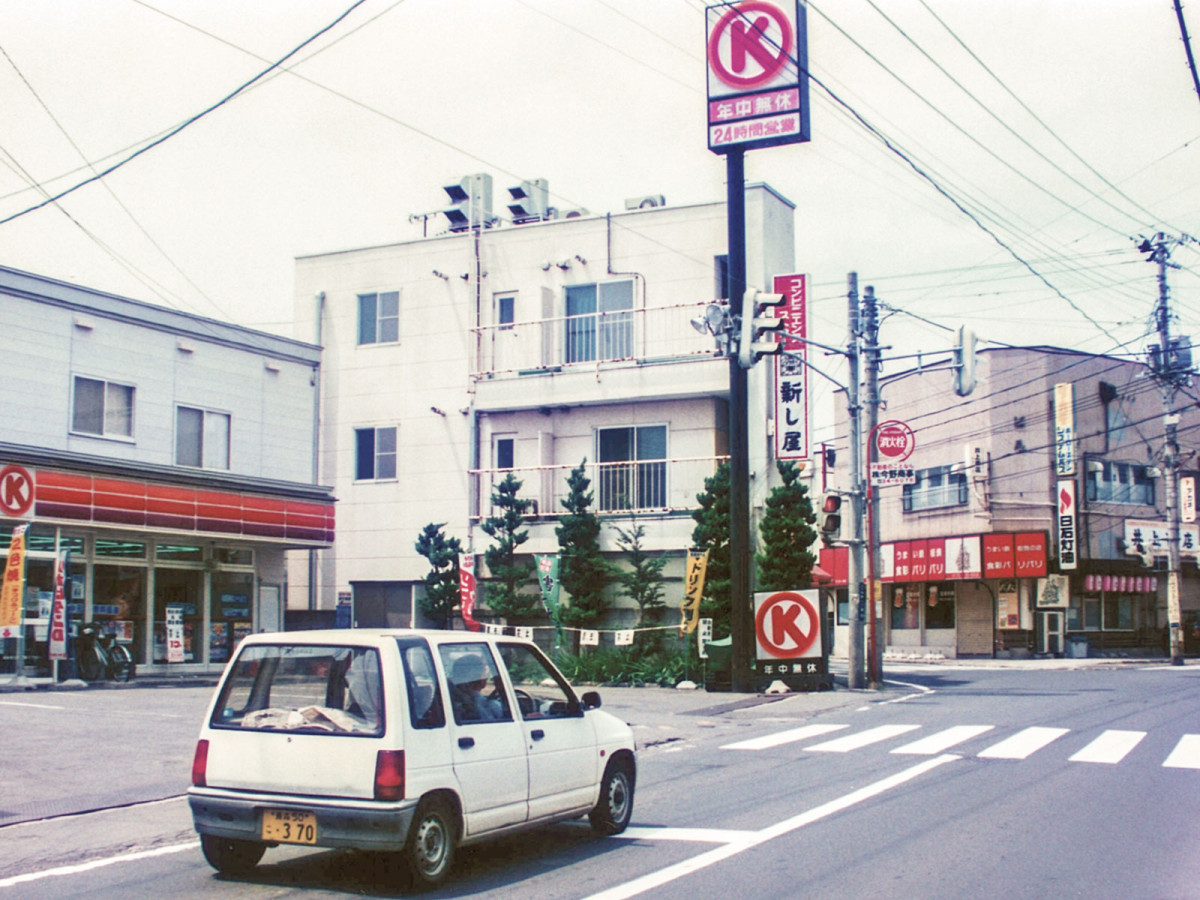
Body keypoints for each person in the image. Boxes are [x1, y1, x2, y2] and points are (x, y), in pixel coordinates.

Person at [450, 654, 504, 722]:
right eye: (484, 671)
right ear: (478, 676)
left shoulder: (450, 701)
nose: (486, 675)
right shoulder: (490, 706)